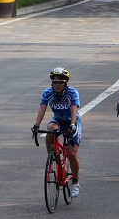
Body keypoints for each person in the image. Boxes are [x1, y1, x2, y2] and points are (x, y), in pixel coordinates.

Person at [32, 67, 81, 197]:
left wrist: (72, 125)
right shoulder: (47, 92)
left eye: (60, 82)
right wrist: (36, 125)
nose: (57, 85)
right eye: (54, 82)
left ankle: (75, 181)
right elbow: (42, 109)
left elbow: (74, 110)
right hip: (58, 119)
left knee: (71, 154)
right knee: (50, 129)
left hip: (72, 121)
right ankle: (52, 155)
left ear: (65, 83)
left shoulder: (72, 92)